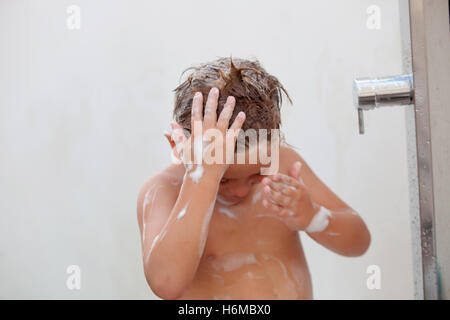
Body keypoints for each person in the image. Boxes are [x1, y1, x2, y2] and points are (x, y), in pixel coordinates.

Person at [137, 57, 371, 300]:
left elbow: (359, 241)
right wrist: (202, 179)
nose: (240, 191)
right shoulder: (164, 191)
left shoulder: (283, 164)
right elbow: (166, 284)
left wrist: (313, 217)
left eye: (257, 173)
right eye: (222, 179)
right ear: (178, 147)